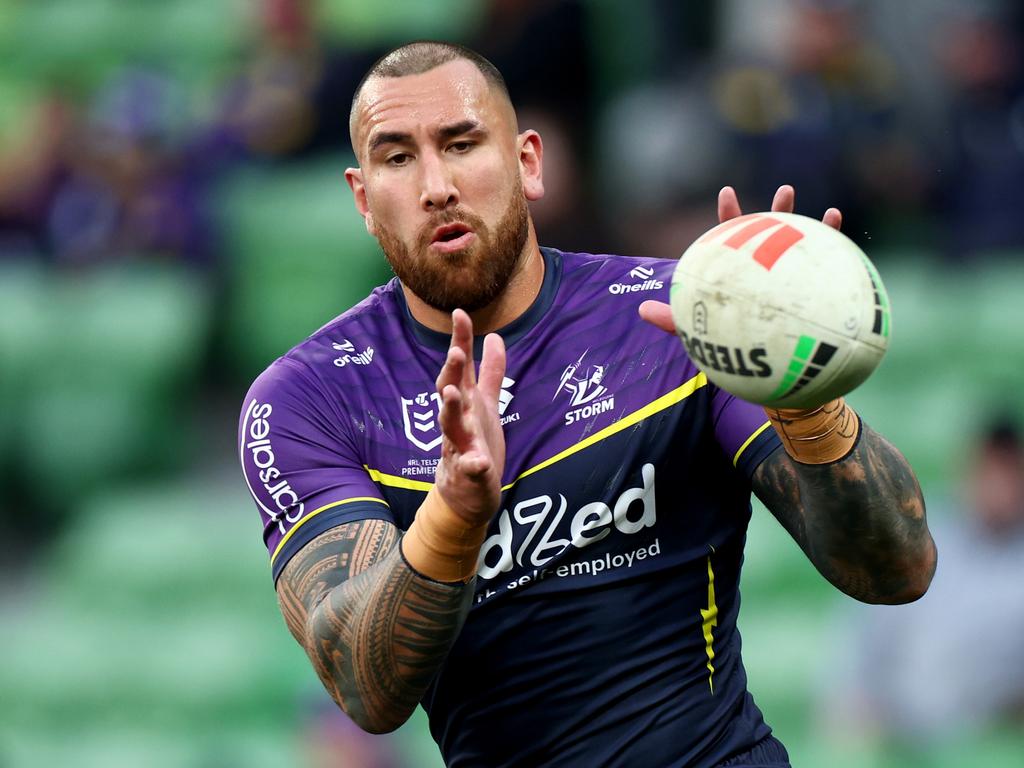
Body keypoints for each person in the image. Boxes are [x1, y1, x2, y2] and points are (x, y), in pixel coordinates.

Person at [239, 41, 936, 767]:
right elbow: (365, 689)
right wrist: (455, 515)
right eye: (397, 158)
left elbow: (897, 572)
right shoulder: (309, 399)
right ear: (362, 197)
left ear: (529, 163)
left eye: (462, 143)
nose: (436, 185)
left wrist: (805, 404)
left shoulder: (682, 320)